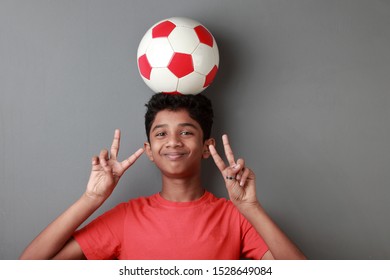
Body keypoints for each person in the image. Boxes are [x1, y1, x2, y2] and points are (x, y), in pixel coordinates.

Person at [20, 93, 306, 260]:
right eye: (161, 134)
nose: (173, 142)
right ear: (149, 150)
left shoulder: (236, 217)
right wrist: (91, 198)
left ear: (207, 147)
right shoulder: (126, 217)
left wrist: (251, 208)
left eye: (186, 132)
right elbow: (27, 268)